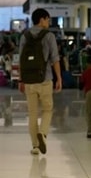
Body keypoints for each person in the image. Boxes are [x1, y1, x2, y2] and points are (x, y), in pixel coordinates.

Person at [19, 8, 62, 155]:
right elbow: (55, 59)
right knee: (47, 109)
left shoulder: (24, 35)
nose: (49, 22)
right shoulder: (49, 36)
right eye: (48, 19)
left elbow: (21, 60)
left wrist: (21, 80)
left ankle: (35, 146)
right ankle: (43, 134)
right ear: (42, 19)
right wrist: (59, 78)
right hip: (45, 79)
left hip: (29, 81)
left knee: (32, 114)